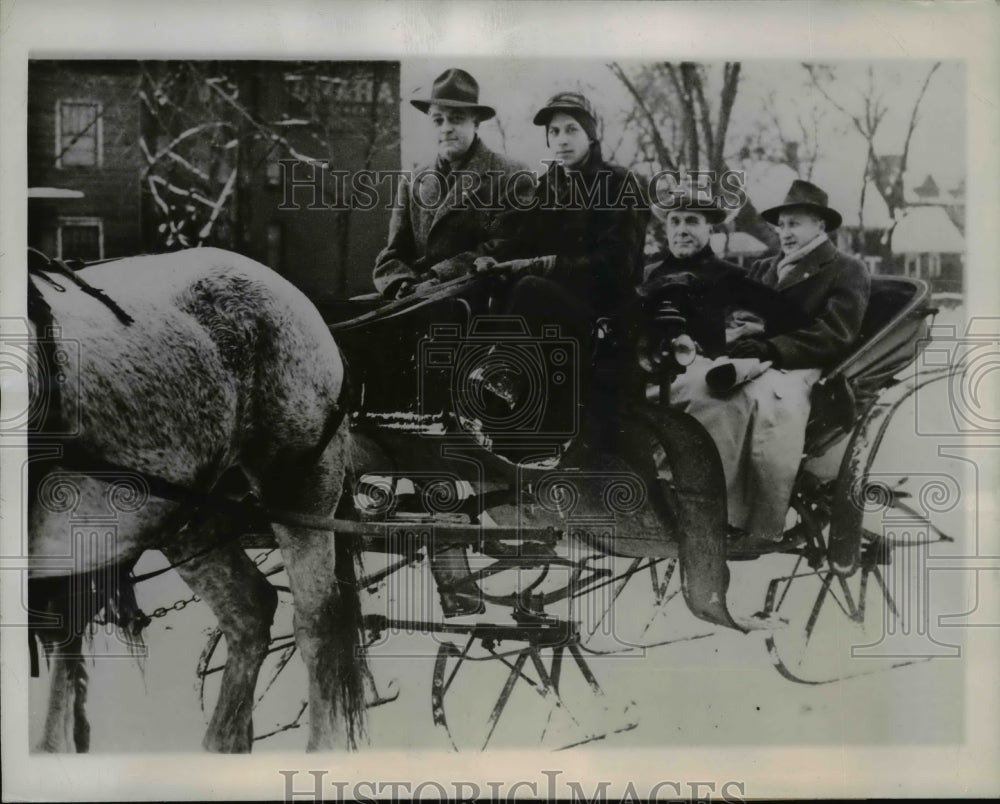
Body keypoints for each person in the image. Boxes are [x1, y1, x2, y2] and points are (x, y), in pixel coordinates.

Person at [669, 180, 871, 549]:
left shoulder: (846, 269)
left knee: (742, 400)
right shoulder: (765, 267)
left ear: (819, 226)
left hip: (805, 366)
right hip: (754, 357)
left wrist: (772, 348)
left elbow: (835, 334)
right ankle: (680, 485)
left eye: (795, 224)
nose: (786, 233)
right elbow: (741, 314)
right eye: (782, 225)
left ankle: (732, 511)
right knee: (694, 384)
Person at [475, 91, 650, 433]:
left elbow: (618, 265)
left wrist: (546, 265)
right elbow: (519, 240)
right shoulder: (547, 186)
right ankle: (489, 390)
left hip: (604, 318)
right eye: (554, 133)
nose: (561, 140)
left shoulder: (619, 184)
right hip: (552, 310)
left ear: (591, 134)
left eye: (571, 130)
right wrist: (492, 260)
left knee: (529, 287)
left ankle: (503, 379)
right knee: (495, 286)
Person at [372, 68, 532, 300]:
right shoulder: (412, 181)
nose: (445, 128)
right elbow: (393, 253)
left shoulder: (512, 175)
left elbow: (505, 244)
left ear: (475, 123)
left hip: (476, 297)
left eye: (456, 119)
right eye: (438, 120)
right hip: (414, 298)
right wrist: (401, 283)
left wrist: (438, 277)